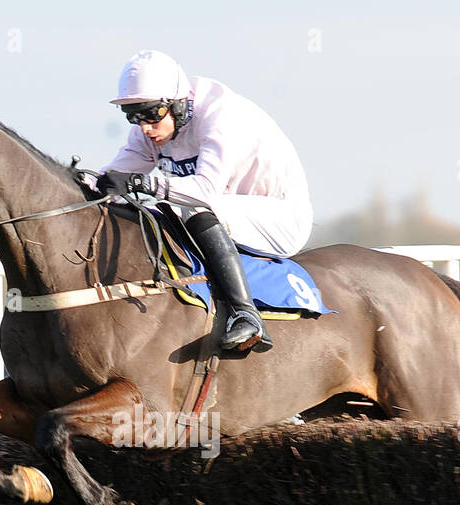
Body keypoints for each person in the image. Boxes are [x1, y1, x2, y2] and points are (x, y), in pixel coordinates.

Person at [96, 50, 313, 352]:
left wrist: (144, 183)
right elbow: (114, 177)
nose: (145, 127)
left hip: (279, 218)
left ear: (177, 103)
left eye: (151, 114)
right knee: (147, 211)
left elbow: (205, 190)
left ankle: (245, 316)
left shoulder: (219, 115)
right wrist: (82, 182)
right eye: (134, 116)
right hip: (229, 215)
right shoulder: (151, 129)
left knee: (193, 208)